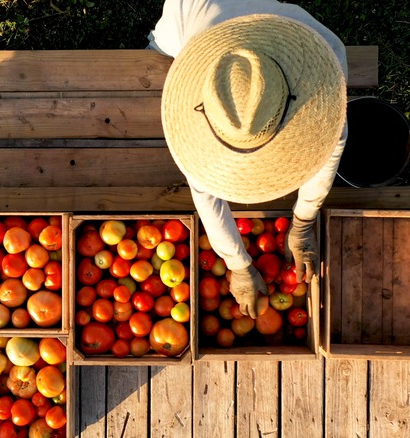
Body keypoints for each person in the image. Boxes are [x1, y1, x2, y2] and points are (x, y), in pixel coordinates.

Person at [148, 0, 348, 318]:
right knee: (163, 43)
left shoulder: (326, 62)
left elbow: (332, 146)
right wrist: (239, 264)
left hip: (211, 14)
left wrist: (303, 222)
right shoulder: (324, 56)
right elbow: (206, 197)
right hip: (193, 9)